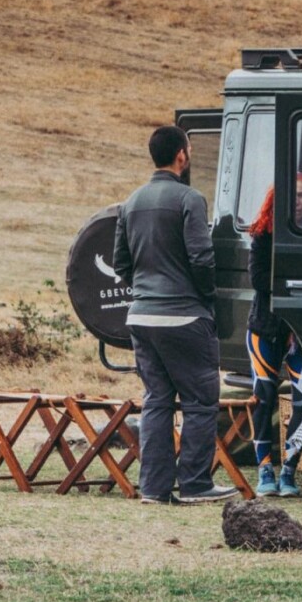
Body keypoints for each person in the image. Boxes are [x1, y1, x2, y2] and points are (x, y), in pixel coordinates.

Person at [112, 125, 237, 504]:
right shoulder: (190, 199)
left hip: (142, 316)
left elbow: (121, 263)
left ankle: (153, 487)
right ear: (182, 155)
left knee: (156, 401)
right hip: (184, 315)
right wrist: (206, 295)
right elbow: (201, 256)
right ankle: (196, 484)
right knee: (200, 401)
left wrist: (148, 288)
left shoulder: (130, 202)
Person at [246, 184, 302, 496]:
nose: (298, 201)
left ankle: (289, 470)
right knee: (263, 398)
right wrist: (293, 281)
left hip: (300, 333)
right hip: (265, 328)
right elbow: (257, 279)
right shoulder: (263, 234)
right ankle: (264, 470)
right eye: (294, 194)